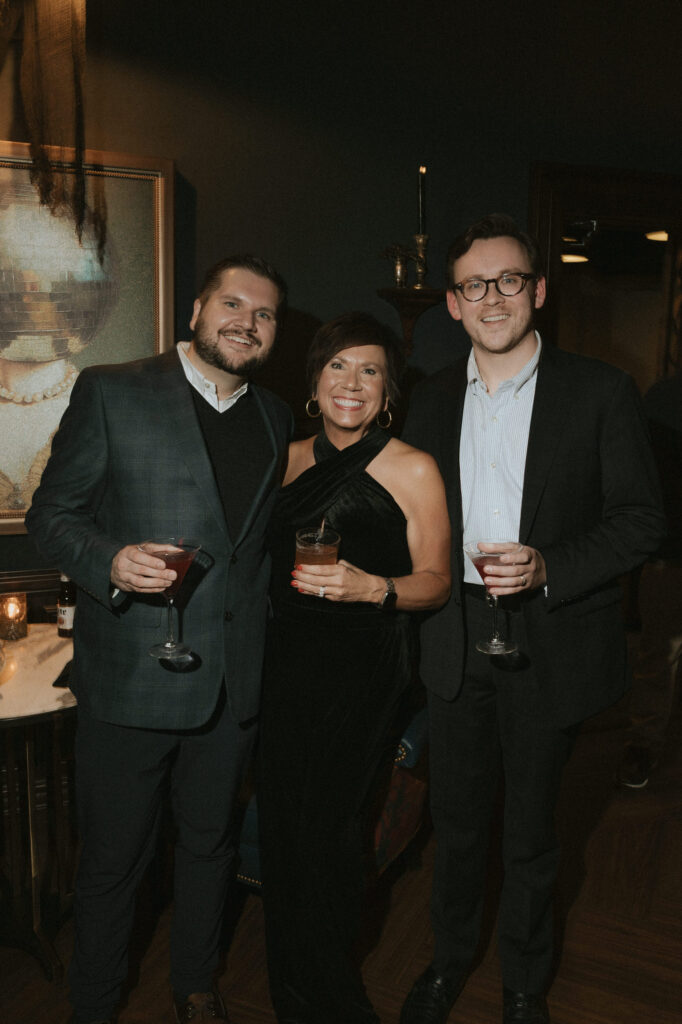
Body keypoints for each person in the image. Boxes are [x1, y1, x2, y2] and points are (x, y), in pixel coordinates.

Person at [399, 214, 665, 1024]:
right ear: (453, 303)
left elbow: (641, 522)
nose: (493, 298)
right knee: (456, 825)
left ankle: (522, 984)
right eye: (474, 285)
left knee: (532, 834)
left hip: (550, 639)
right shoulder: (427, 400)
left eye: (509, 280)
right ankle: (448, 962)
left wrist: (550, 566)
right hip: (454, 638)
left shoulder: (602, 391)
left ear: (539, 290)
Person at [26, 254, 293, 1024]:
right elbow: (52, 515)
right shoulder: (112, 389)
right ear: (197, 311)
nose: (247, 322)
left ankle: (196, 985)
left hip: (232, 684)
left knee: (211, 846)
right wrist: (109, 560)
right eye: (233, 304)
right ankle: (94, 1003)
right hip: (130, 678)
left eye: (265, 313)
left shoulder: (276, 418)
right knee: (115, 862)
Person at [257, 311, 451, 1024]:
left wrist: (375, 588)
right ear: (315, 380)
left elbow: (437, 581)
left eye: (370, 370)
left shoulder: (413, 467)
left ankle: (333, 994)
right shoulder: (283, 457)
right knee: (284, 827)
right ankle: (291, 994)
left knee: (332, 830)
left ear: (388, 391)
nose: (352, 382)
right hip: (284, 665)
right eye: (338, 365)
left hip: (365, 669)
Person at [617, 370, 682, 788]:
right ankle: (642, 745)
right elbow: (644, 481)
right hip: (670, 554)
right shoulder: (664, 400)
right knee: (659, 654)